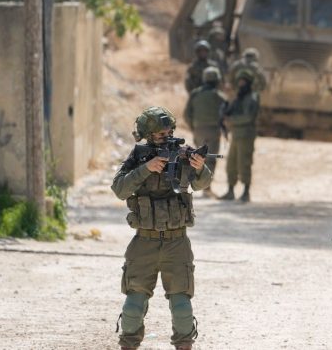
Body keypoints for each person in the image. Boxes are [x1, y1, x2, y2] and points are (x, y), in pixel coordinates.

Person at [111, 106, 213, 350]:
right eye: (159, 134)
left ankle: (184, 344)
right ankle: (128, 344)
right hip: (144, 241)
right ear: (147, 135)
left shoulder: (183, 154)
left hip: (177, 242)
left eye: (168, 132)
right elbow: (119, 189)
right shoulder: (139, 156)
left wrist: (200, 167)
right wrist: (146, 169)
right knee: (133, 305)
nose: (166, 137)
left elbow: (202, 184)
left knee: (181, 306)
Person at [183, 66, 227, 198]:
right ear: (217, 80)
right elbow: (226, 114)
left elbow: (186, 114)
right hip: (213, 130)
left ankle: (197, 184)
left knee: (198, 157)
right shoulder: (219, 96)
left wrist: (193, 127)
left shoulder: (195, 94)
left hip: (199, 130)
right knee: (210, 159)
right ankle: (206, 188)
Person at [220, 69, 259, 202]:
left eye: (243, 82)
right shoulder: (239, 97)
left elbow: (248, 117)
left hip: (246, 135)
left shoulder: (252, 98)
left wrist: (231, 120)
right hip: (236, 135)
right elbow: (230, 111)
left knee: (244, 163)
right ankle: (230, 190)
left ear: (248, 83)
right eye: (240, 81)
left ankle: (246, 192)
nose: (241, 84)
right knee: (231, 163)